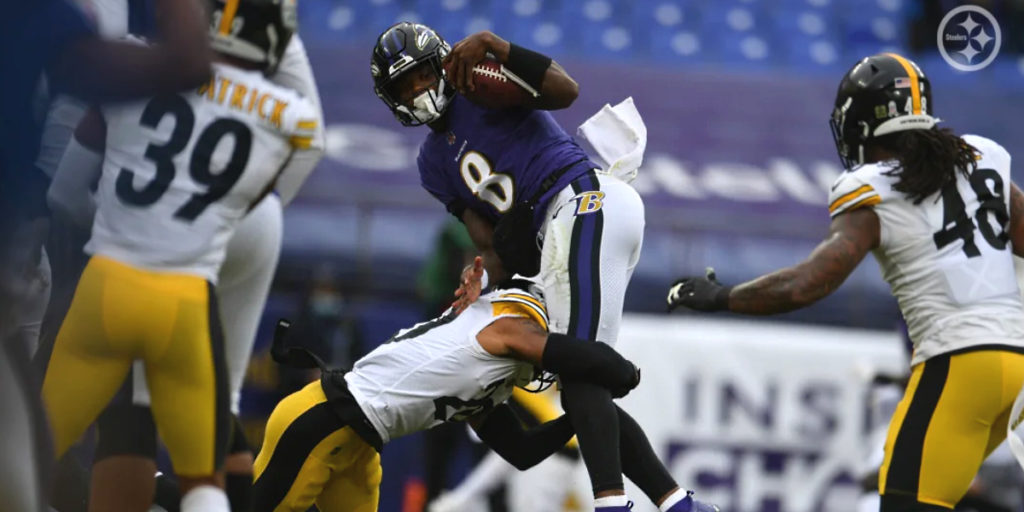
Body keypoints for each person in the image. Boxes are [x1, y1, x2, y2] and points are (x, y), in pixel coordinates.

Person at [371, 22, 716, 512]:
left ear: (442, 64)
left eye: (421, 75)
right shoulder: (432, 163)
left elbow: (565, 90)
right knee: (580, 377)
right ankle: (678, 504)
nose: (419, 91)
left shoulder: (477, 85)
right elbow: (491, 241)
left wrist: (498, 47)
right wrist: (483, 274)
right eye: (404, 87)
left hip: (581, 201)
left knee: (579, 372)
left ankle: (613, 504)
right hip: (560, 230)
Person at [667, 53, 1024, 512]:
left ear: (860, 122)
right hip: (1016, 364)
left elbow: (810, 282)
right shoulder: (983, 156)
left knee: (901, 504)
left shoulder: (873, 184)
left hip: (957, 363)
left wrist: (722, 297)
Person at [38, 0, 323, 508]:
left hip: (106, 284)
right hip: (185, 295)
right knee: (202, 472)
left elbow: (67, 186)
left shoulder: (137, 66)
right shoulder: (287, 116)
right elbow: (298, 152)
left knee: (36, 446)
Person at [253, 279, 642, 511]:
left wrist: (579, 419)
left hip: (361, 444)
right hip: (322, 420)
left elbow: (521, 450)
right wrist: (625, 373)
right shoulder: (505, 327)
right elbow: (588, 357)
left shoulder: (487, 370)